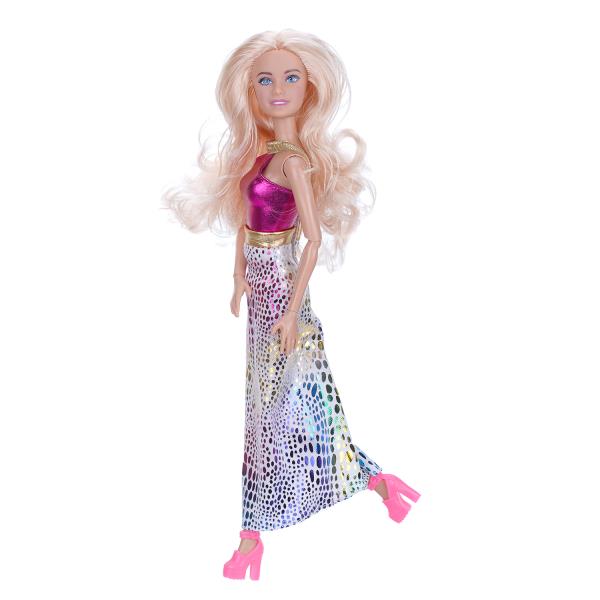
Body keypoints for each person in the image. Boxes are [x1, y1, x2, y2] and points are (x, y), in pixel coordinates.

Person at [161, 29, 421, 581]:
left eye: (290, 78)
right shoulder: (263, 155)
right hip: (260, 288)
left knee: (283, 408)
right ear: (250, 91)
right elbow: (245, 221)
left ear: (310, 89)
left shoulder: (295, 163)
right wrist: (237, 275)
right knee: (274, 404)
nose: (277, 89)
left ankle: (253, 537)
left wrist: (289, 311)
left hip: (282, 287)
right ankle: (378, 486)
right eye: (265, 79)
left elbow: (314, 240)